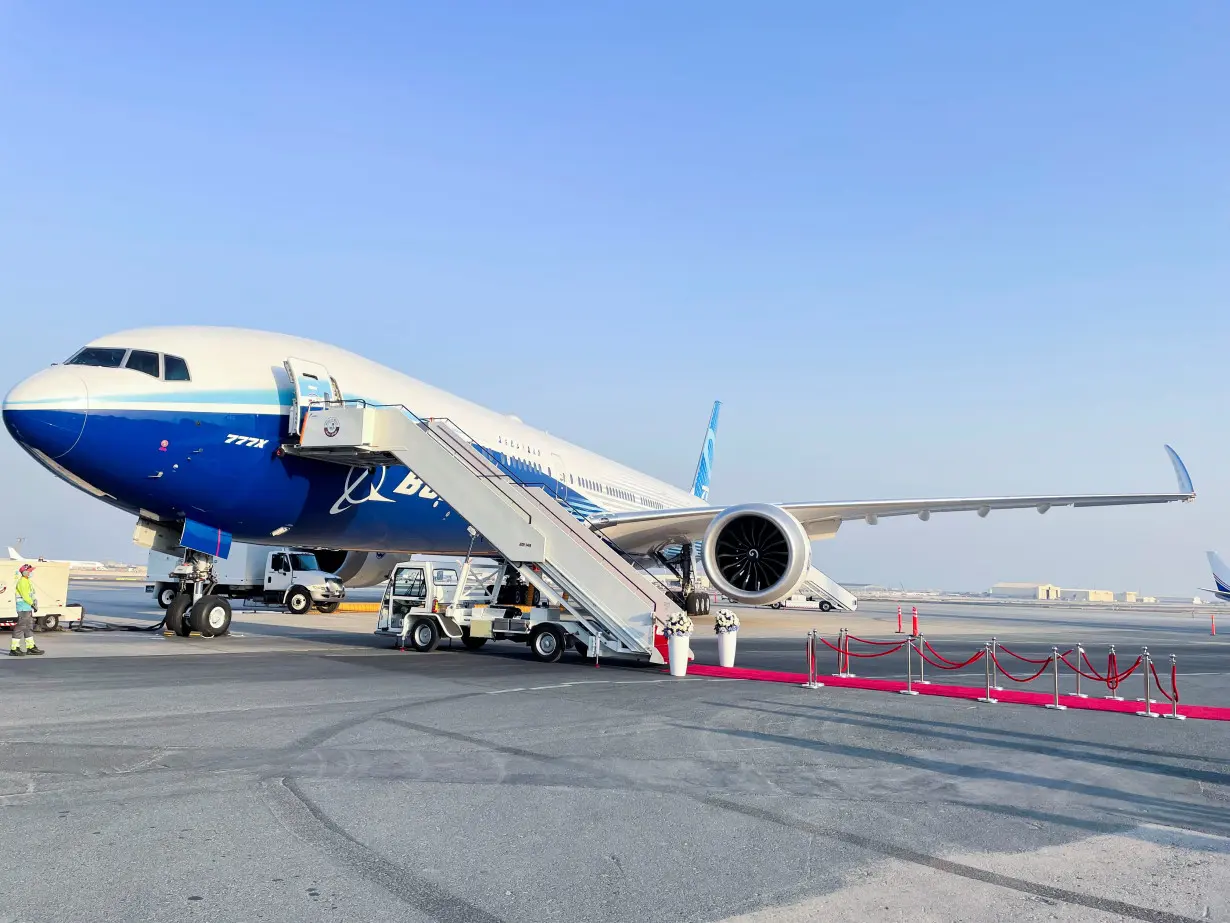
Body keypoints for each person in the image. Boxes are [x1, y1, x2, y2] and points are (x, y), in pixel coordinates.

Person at [10, 563, 44, 656]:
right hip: (23, 607)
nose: (31, 572)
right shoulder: (22, 582)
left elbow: (30, 594)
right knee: (21, 627)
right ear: (25, 572)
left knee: (28, 627)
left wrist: (34, 602)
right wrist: (32, 604)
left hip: (27, 607)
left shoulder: (27, 581)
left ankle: (31, 647)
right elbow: (25, 596)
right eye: (30, 571)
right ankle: (14, 648)